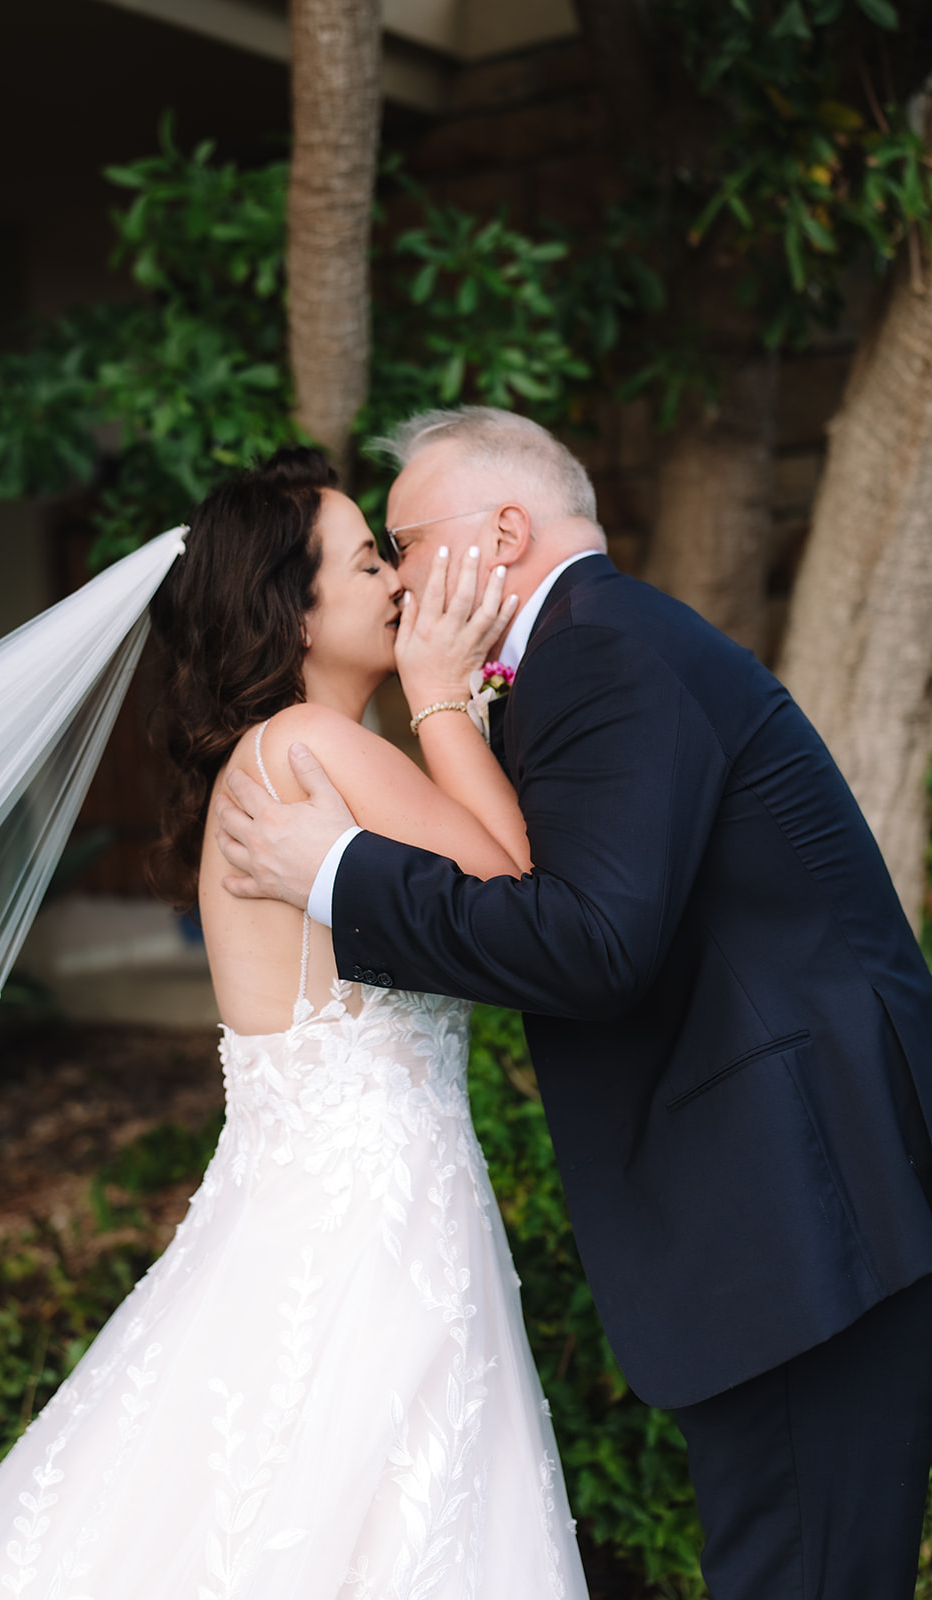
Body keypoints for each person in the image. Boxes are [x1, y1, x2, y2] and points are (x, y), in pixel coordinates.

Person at [217, 407, 932, 1600]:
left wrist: (334, 871)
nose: (399, 579)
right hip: (792, 1206)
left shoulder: (600, 651)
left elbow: (590, 943)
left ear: (503, 532)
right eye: (376, 557)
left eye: (404, 543)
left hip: (801, 1211)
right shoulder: (593, 645)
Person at [0, 447, 589, 1600]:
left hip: (341, 1191)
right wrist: (438, 692)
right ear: (294, 612)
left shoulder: (285, 757)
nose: (398, 582)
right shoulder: (310, 746)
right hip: (365, 1208)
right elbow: (518, 891)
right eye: (365, 563)